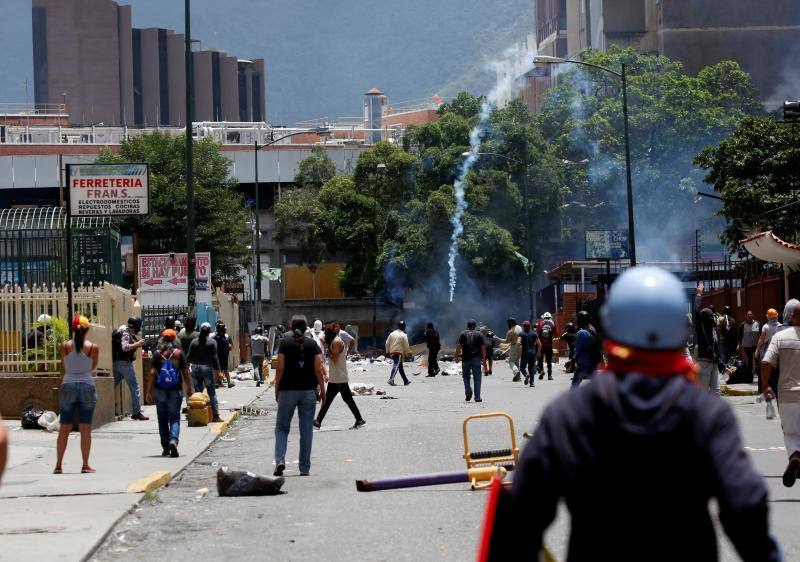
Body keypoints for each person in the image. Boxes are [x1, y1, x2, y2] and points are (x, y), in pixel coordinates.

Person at [498, 267, 777, 561]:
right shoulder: (706, 413)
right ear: (681, 331)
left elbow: (520, 518)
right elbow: (745, 508)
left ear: (611, 326)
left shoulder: (569, 414)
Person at [274, 315, 327, 476]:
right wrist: (323, 393)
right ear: (306, 328)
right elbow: (319, 369)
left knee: (282, 428)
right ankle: (304, 467)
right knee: (306, 431)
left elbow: (280, 369)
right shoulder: (312, 344)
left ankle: (280, 460)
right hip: (308, 392)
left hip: (287, 391)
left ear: (291, 326)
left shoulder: (284, 343)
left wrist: (277, 390)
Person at [761, 299, 800, 487]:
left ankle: (795, 456)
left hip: (787, 395)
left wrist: (766, 385)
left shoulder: (780, 336)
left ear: (792, 316)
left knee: (791, 434)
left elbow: (766, 363)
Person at [55, 316, 99, 474]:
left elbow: (64, 365)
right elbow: (93, 367)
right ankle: (85, 464)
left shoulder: (65, 346)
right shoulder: (93, 347)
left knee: (64, 427)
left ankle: (58, 464)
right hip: (87, 385)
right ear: (87, 330)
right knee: (85, 427)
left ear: (73, 329)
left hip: (68, 385)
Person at [145, 329, 192, 458]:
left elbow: (152, 373)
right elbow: (185, 373)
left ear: (161, 339)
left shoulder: (157, 354)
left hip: (159, 390)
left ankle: (165, 446)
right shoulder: (179, 354)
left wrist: (148, 392)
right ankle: (173, 440)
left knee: (162, 419)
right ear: (175, 339)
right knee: (175, 417)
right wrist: (189, 388)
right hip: (175, 390)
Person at [314, 327, 366, 430]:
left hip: (339, 378)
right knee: (341, 400)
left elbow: (334, 358)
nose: (324, 340)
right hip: (336, 377)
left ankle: (318, 422)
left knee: (339, 400)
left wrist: (327, 348)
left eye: (325, 338)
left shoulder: (336, 342)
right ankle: (359, 420)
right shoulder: (333, 342)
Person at [113, 316, 149, 420]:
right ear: (136, 326)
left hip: (119, 364)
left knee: (112, 384)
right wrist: (138, 344)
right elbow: (125, 347)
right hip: (125, 364)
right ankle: (136, 412)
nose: (139, 328)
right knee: (135, 387)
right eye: (139, 326)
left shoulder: (128, 333)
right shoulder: (126, 333)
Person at [187, 322, 222, 423]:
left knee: (198, 392)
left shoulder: (194, 342)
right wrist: (218, 371)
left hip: (195, 368)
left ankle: (198, 416)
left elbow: (188, 357)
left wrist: (185, 368)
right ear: (209, 332)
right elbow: (215, 358)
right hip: (207, 368)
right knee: (211, 392)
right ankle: (215, 416)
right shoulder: (212, 342)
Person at [455, 319, 487, 402]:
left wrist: (456, 356)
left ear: (467, 326)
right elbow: (483, 348)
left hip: (465, 359)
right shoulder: (479, 334)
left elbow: (459, 346)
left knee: (466, 377)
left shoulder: (462, 334)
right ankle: (477, 397)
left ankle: (468, 393)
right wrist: (484, 360)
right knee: (477, 377)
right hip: (476, 358)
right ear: (475, 326)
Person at [571, 311, 599, 389]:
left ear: (581, 320)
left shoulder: (581, 332)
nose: (576, 321)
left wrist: (573, 358)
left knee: (575, 383)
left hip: (583, 361)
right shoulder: (592, 329)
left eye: (578, 319)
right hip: (592, 360)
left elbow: (579, 349)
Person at [697, 307, 721, 395]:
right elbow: (696, 313)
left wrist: (722, 364)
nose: (712, 318)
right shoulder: (701, 329)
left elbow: (716, 349)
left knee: (716, 392)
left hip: (714, 364)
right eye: (709, 316)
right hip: (704, 364)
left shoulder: (714, 331)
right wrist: (698, 296)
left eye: (712, 316)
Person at [385, 321, 412, 386]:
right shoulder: (404, 335)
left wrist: (387, 352)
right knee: (396, 365)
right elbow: (406, 345)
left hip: (392, 352)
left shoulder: (392, 333)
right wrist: (408, 352)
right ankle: (391, 379)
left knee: (400, 367)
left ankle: (406, 381)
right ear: (404, 327)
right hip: (398, 352)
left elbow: (387, 343)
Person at [737, 310, 760, 382]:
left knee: (757, 359)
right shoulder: (743, 325)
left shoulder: (757, 323)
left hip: (756, 345)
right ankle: (750, 376)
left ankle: (759, 375)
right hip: (747, 345)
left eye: (751, 314)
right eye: (748, 315)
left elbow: (762, 334)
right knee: (750, 359)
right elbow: (739, 336)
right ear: (746, 316)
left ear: (753, 316)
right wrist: (738, 344)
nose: (750, 316)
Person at [518, 321, 541, 387]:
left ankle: (526, 374)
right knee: (531, 368)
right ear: (530, 326)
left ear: (523, 327)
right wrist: (538, 352)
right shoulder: (534, 334)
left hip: (525, 353)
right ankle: (532, 383)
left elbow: (518, 343)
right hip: (532, 353)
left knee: (522, 367)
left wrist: (518, 351)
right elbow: (539, 344)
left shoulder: (521, 334)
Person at [535, 312, 557, 380]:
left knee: (540, 360)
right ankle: (549, 376)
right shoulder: (553, 323)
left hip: (541, 345)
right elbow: (556, 334)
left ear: (544, 317)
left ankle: (541, 371)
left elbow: (537, 333)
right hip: (549, 345)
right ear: (550, 317)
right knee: (549, 361)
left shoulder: (540, 323)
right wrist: (551, 338)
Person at [213, 322, 235, 388]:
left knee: (217, 370)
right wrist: (229, 346)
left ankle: (216, 383)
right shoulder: (227, 337)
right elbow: (231, 346)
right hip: (225, 356)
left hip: (217, 356)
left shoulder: (215, 337)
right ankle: (229, 382)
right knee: (225, 370)